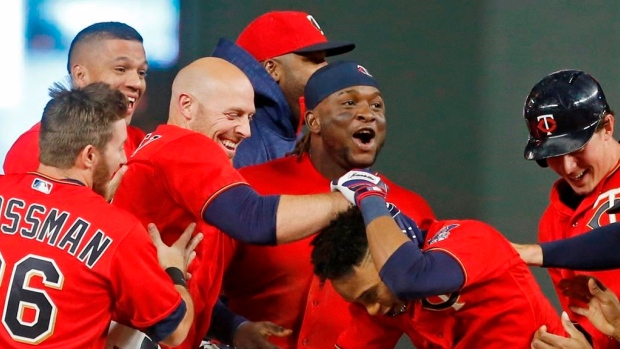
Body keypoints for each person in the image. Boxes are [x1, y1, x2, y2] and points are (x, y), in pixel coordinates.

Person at [112, 57, 351, 349]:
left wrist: (233, 328)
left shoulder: (166, 150)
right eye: (233, 114)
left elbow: (175, 287)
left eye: (249, 117)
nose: (245, 131)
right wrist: (350, 199)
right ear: (186, 105)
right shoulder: (185, 147)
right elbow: (254, 220)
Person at [209, 61, 436, 348]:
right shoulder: (250, 190)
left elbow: (439, 313)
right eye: (350, 103)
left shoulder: (412, 210)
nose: (367, 114)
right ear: (313, 121)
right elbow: (198, 288)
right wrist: (235, 329)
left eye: (377, 107)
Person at [0, 82, 199, 348]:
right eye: (119, 148)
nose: (123, 160)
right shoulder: (117, 230)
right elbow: (175, 331)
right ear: (90, 156)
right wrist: (173, 269)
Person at [311, 170, 565, 348]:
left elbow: (414, 279)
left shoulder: (467, 238)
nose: (372, 309)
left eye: (369, 295)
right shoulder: (387, 302)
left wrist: (368, 196)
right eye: (360, 302)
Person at [521, 69, 620, 349]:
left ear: (608, 127)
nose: (568, 167)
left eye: (577, 149)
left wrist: (535, 253)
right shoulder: (553, 221)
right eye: (554, 154)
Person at [4, 22, 148, 183]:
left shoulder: (141, 144)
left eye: (142, 73)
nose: (137, 83)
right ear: (80, 76)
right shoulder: (36, 147)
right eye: (120, 69)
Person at [211, 10, 355, 168]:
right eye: (314, 60)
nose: (325, 68)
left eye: (324, 59)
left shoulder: (294, 133)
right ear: (272, 69)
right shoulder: (236, 139)